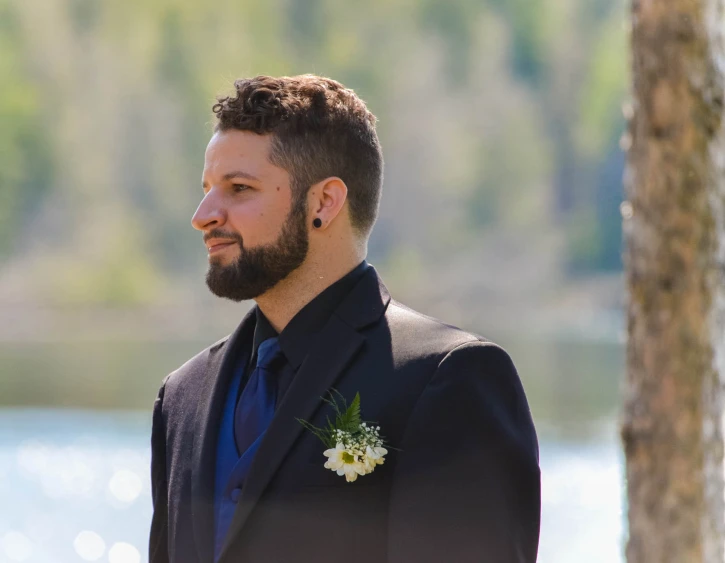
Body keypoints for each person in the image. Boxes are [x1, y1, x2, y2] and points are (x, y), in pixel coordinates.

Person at [148, 74, 540, 563]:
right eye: (207, 189)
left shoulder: (450, 378)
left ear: (324, 203)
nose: (203, 214)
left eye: (239, 188)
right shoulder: (182, 397)